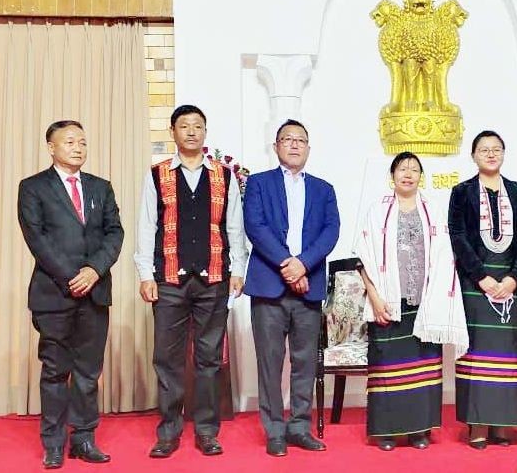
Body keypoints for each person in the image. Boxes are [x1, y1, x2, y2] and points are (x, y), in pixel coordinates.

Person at [134, 104, 248, 458]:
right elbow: (146, 227)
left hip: (213, 278)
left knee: (209, 359)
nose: (192, 132)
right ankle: (168, 431)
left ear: (205, 132)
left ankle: (206, 430)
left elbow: (234, 227)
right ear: (173, 132)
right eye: (184, 126)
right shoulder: (157, 175)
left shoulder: (224, 175)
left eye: (198, 126)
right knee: (166, 359)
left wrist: (237, 269)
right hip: (168, 279)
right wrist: (145, 274)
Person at [18, 120, 124, 469]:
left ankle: (83, 439)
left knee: (88, 373)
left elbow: (114, 233)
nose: (78, 147)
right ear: (51, 147)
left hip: (95, 292)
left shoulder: (101, 187)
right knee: (54, 371)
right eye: (69, 141)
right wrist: (71, 277)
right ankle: (53, 443)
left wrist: (93, 271)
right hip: (54, 295)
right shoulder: (33, 188)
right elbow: (37, 240)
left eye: (82, 141)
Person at [355, 152, 468, 451]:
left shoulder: (432, 209)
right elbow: (363, 259)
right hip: (389, 303)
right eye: (402, 168)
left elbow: (446, 257)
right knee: (387, 369)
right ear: (392, 176)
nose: (408, 173)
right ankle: (387, 431)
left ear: (421, 176)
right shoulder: (377, 210)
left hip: (424, 303)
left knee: (423, 369)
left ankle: (420, 430)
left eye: (414, 169)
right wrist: (375, 298)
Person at [243, 119, 340, 457]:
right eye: (288, 139)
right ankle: (274, 430)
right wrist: (288, 264)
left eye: (301, 140)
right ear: (276, 146)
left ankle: (299, 426)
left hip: (308, 286)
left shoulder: (324, 189)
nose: (295, 145)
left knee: (304, 363)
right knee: (270, 362)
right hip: (269, 286)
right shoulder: (257, 184)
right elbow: (255, 227)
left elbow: (331, 231)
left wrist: (303, 264)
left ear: (309, 148)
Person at [448, 130, 517, 450]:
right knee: (477, 354)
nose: (490, 154)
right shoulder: (461, 192)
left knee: (508, 355)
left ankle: (504, 423)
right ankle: (478, 424)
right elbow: (457, 236)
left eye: (496, 149)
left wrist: (514, 277)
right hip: (475, 284)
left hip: (512, 284)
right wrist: (481, 276)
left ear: (503, 154)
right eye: (483, 149)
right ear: (473, 155)